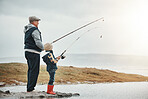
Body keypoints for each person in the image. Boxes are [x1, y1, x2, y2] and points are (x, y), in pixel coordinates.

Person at [24, 16, 44, 92]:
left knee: (30, 70)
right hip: (33, 52)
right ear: (33, 22)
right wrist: (43, 48)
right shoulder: (34, 30)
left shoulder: (27, 30)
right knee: (35, 71)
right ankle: (31, 88)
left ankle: (29, 87)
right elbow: (38, 41)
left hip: (27, 51)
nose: (38, 22)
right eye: (37, 21)